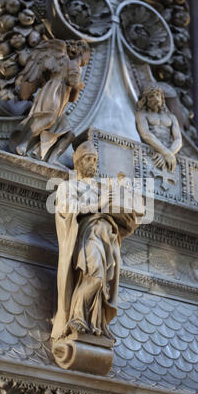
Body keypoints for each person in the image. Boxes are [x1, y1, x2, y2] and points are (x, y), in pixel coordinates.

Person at [51, 141, 139, 341]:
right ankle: (77, 317)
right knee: (96, 275)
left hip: (107, 238)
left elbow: (120, 213)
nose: (93, 164)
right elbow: (70, 208)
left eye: (95, 160)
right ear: (78, 162)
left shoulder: (101, 187)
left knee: (102, 282)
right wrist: (100, 203)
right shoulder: (69, 186)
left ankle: (93, 323)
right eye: (88, 159)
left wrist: (122, 199)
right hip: (87, 236)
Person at [9, 39, 90, 168]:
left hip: (60, 100)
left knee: (69, 134)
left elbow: (73, 99)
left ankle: (50, 159)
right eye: (88, 55)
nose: (88, 59)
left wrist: (77, 87)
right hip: (53, 93)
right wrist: (79, 85)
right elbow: (73, 82)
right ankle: (23, 143)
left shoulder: (71, 65)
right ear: (82, 52)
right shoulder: (72, 65)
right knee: (48, 118)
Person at [135, 84, 182, 172]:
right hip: (151, 153)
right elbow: (145, 134)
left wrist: (169, 153)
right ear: (145, 100)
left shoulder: (171, 117)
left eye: (157, 95)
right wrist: (165, 152)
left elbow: (178, 139)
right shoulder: (141, 114)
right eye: (151, 96)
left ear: (161, 97)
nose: (156, 99)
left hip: (169, 154)